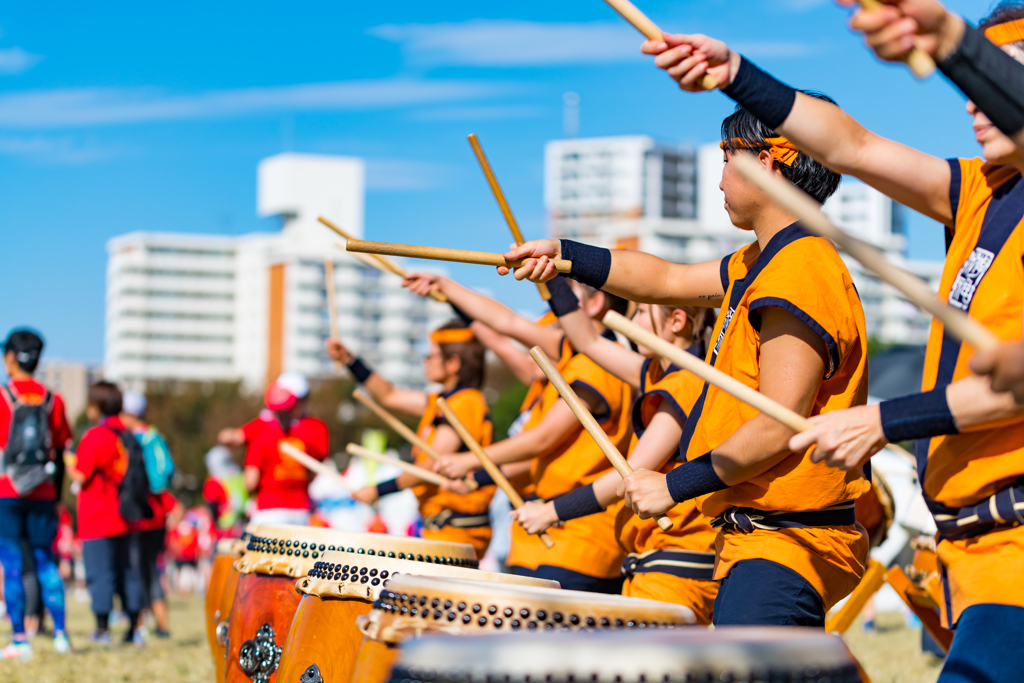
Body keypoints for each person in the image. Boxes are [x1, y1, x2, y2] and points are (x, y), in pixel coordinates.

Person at [630, 5, 1024, 673]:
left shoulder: (802, 267)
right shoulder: (982, 194)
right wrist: (738, 77)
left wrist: (884, 419)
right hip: (975, 549)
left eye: (997, 76)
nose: (973, 103)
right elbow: (853, 147)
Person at [504, 96, 869, 624]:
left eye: (726, 157)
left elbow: (778, 423)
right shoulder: (759, 262)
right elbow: (666, 280)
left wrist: (672, 485)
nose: (719, 179)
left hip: (793, 539)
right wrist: (563, 256)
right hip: (759, 539)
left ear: (764, 163)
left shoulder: (800, 269)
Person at [511, 284, 720, 623]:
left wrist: (552, 511)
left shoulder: (688, 382)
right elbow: (588, 341)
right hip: (654, 561)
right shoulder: (657, 374)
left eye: (638, 312)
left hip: (677, 564)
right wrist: (554, 276)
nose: (627, 319)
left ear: (677, 320)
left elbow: (633, 473)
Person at [416, 275, 633, 592]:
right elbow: (506, 323)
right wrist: (447, 288)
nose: (550, 315)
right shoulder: (571, 355)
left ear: (594, 304)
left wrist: (469, 462)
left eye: (560, 300)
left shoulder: (599, 363)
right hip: (540, 534)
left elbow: (542, 439)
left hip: (579, 539)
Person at [327, 320, 497, 558]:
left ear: (453, 363)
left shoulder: (466, 402)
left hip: (456, 528)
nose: (425, 361)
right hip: (441, 526)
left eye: (431, 356)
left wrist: (378, 490)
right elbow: (389, 395)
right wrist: (350, 361)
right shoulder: (441, 401)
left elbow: (433, 465)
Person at [840, 0, 1024, 149]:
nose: (971, 106)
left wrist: (945, 36)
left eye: (1010, 71)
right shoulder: (984, 186)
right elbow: (858, 148)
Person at [0, 329, 71, 658]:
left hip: (7, 491)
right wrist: (55, 499)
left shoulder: (2, 395)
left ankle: (19, 639)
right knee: (46, 562)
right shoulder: (53, 400)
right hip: (43, 491)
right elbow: (60, 449)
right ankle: (60, 635)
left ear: (11, 357)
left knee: (12, 565)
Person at [70, 381, 146, 646]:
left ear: (96, 405)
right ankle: (135, 628)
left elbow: (81, 473)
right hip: (127, 516)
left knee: (100, 572)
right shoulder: (126, 435)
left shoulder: (96, 435)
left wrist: (68, 461)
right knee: (127, 572)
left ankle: (102, 630)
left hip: (97, 516)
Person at [218, 372, 328, 527]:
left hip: (268, 509)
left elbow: (250, 481)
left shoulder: (262, 430)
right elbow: (314, 471)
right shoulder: (317, 428)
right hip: (301, 509)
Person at [121, 391, 181, 639]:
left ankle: (139, 625)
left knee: (136, 572)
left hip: (139, 514)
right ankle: (162, 625)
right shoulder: (155, 436)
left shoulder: (133, 439)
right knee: (150, 570)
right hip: (156, 515)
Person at [202, 446, 248, 538]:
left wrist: (215, 525)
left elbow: (211, 504)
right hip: (242, 526)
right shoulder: (239, 475)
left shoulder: (214, 480)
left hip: (223, 529)